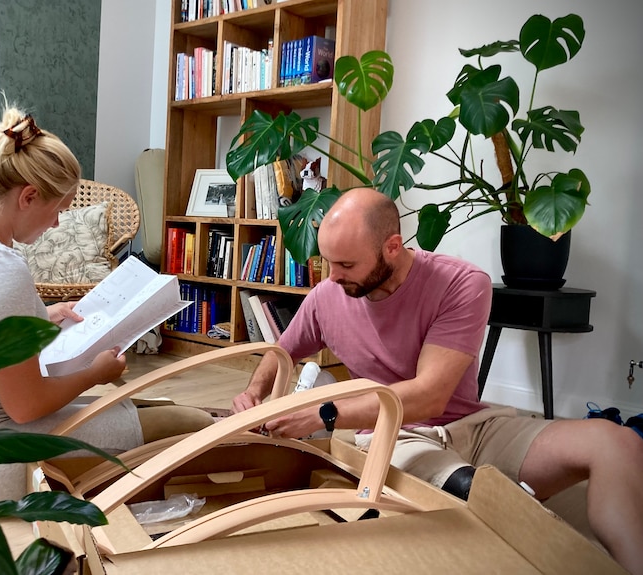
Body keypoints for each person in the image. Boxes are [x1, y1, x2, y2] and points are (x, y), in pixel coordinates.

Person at [233, 188, 643, 573]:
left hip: (474, 425)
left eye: (346, 265)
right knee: (478, 495)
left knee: (617, 441)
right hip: (394, 436)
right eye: (327, 262)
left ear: (392, 247)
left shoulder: (462, 283)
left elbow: (430, 397)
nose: (332, 276)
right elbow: (282, 352)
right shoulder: (328, 295)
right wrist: (254, 391)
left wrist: (322, 415)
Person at [0, 105, 212, 504]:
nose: (56, 224)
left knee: (143, 405)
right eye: (57, 210)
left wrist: (41, 315)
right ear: (29, 196)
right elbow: (26, 406)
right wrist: (95, 373)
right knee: (187, 421)